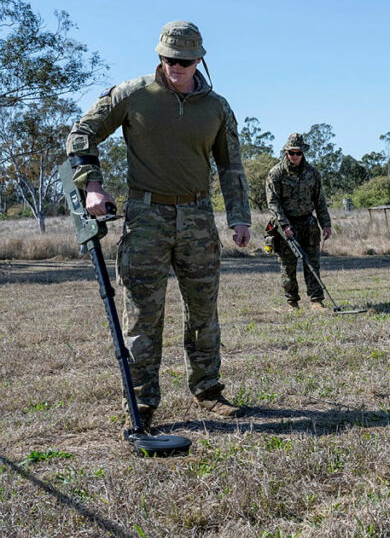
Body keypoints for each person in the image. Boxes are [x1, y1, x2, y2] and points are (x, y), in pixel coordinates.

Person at [65, 21, 251, 433]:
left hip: (199, 218)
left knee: (204, 309)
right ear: (159, 56)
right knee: (142, 315)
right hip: (146, 218)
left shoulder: (217, 107)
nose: (176, 67)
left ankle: (208, 389)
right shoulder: (133, 96)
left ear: (199, 59)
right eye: (169, 59)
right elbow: (81, 134)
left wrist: (239, 216)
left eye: (184, 60)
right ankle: (143, 399)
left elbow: (231, 166)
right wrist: (91, 185)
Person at [266, 133, 333, 310]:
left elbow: (320, 201)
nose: (294, 156)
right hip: (285, 226)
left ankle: (316, 300)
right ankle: (292, 303)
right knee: (288, 268)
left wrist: (325, 224)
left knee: (312, 264)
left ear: (303, 153)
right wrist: (284, 225)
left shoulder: (313, 173)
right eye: (291, 153)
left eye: (298, 153)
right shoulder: (276, 174)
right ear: (286, 153)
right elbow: (273, 202)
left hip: (308, 225)